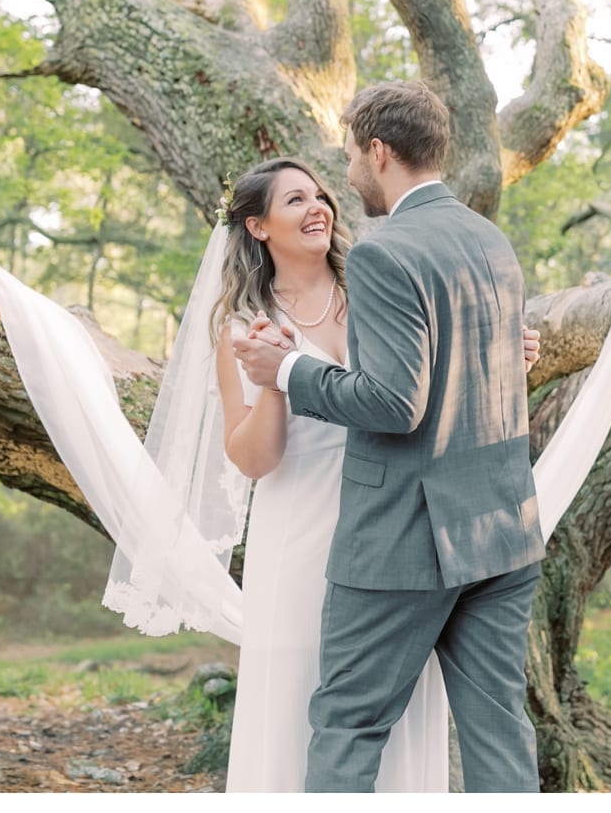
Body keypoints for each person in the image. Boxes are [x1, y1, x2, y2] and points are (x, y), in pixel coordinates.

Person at [234, 81, 545, 793]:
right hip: (501, 527)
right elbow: (471, 375)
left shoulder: (383, 253)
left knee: (347, 725)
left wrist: (286, 368)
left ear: (378, 151)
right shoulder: (489, 238)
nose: (344, 178)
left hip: (403, 540)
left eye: (347, 156)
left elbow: (394, 402)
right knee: (499, 729)